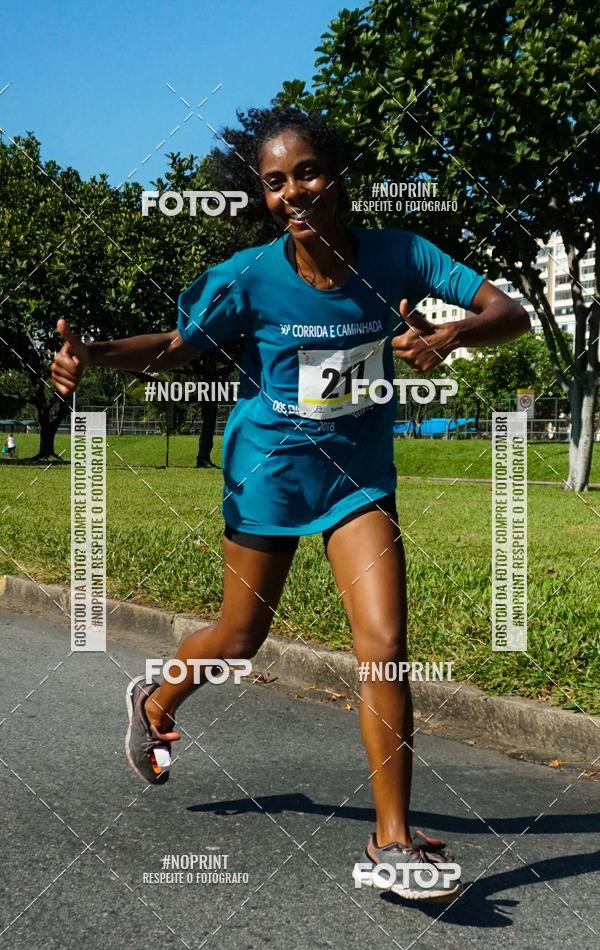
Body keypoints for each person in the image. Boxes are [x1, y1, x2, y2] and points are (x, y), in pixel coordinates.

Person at [51, 106, 530, 901]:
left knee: (384, 641)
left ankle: (391, 843)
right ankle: (157, 694)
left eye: (306, 172)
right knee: (242, 633)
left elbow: (506, 312)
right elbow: (175, 350)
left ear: (337, 177)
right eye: (274, 182)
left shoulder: (400, 253)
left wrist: (452, 338)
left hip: (358, 479)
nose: (292, 192)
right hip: (269, 475)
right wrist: (91, 354)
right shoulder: (251, 276)